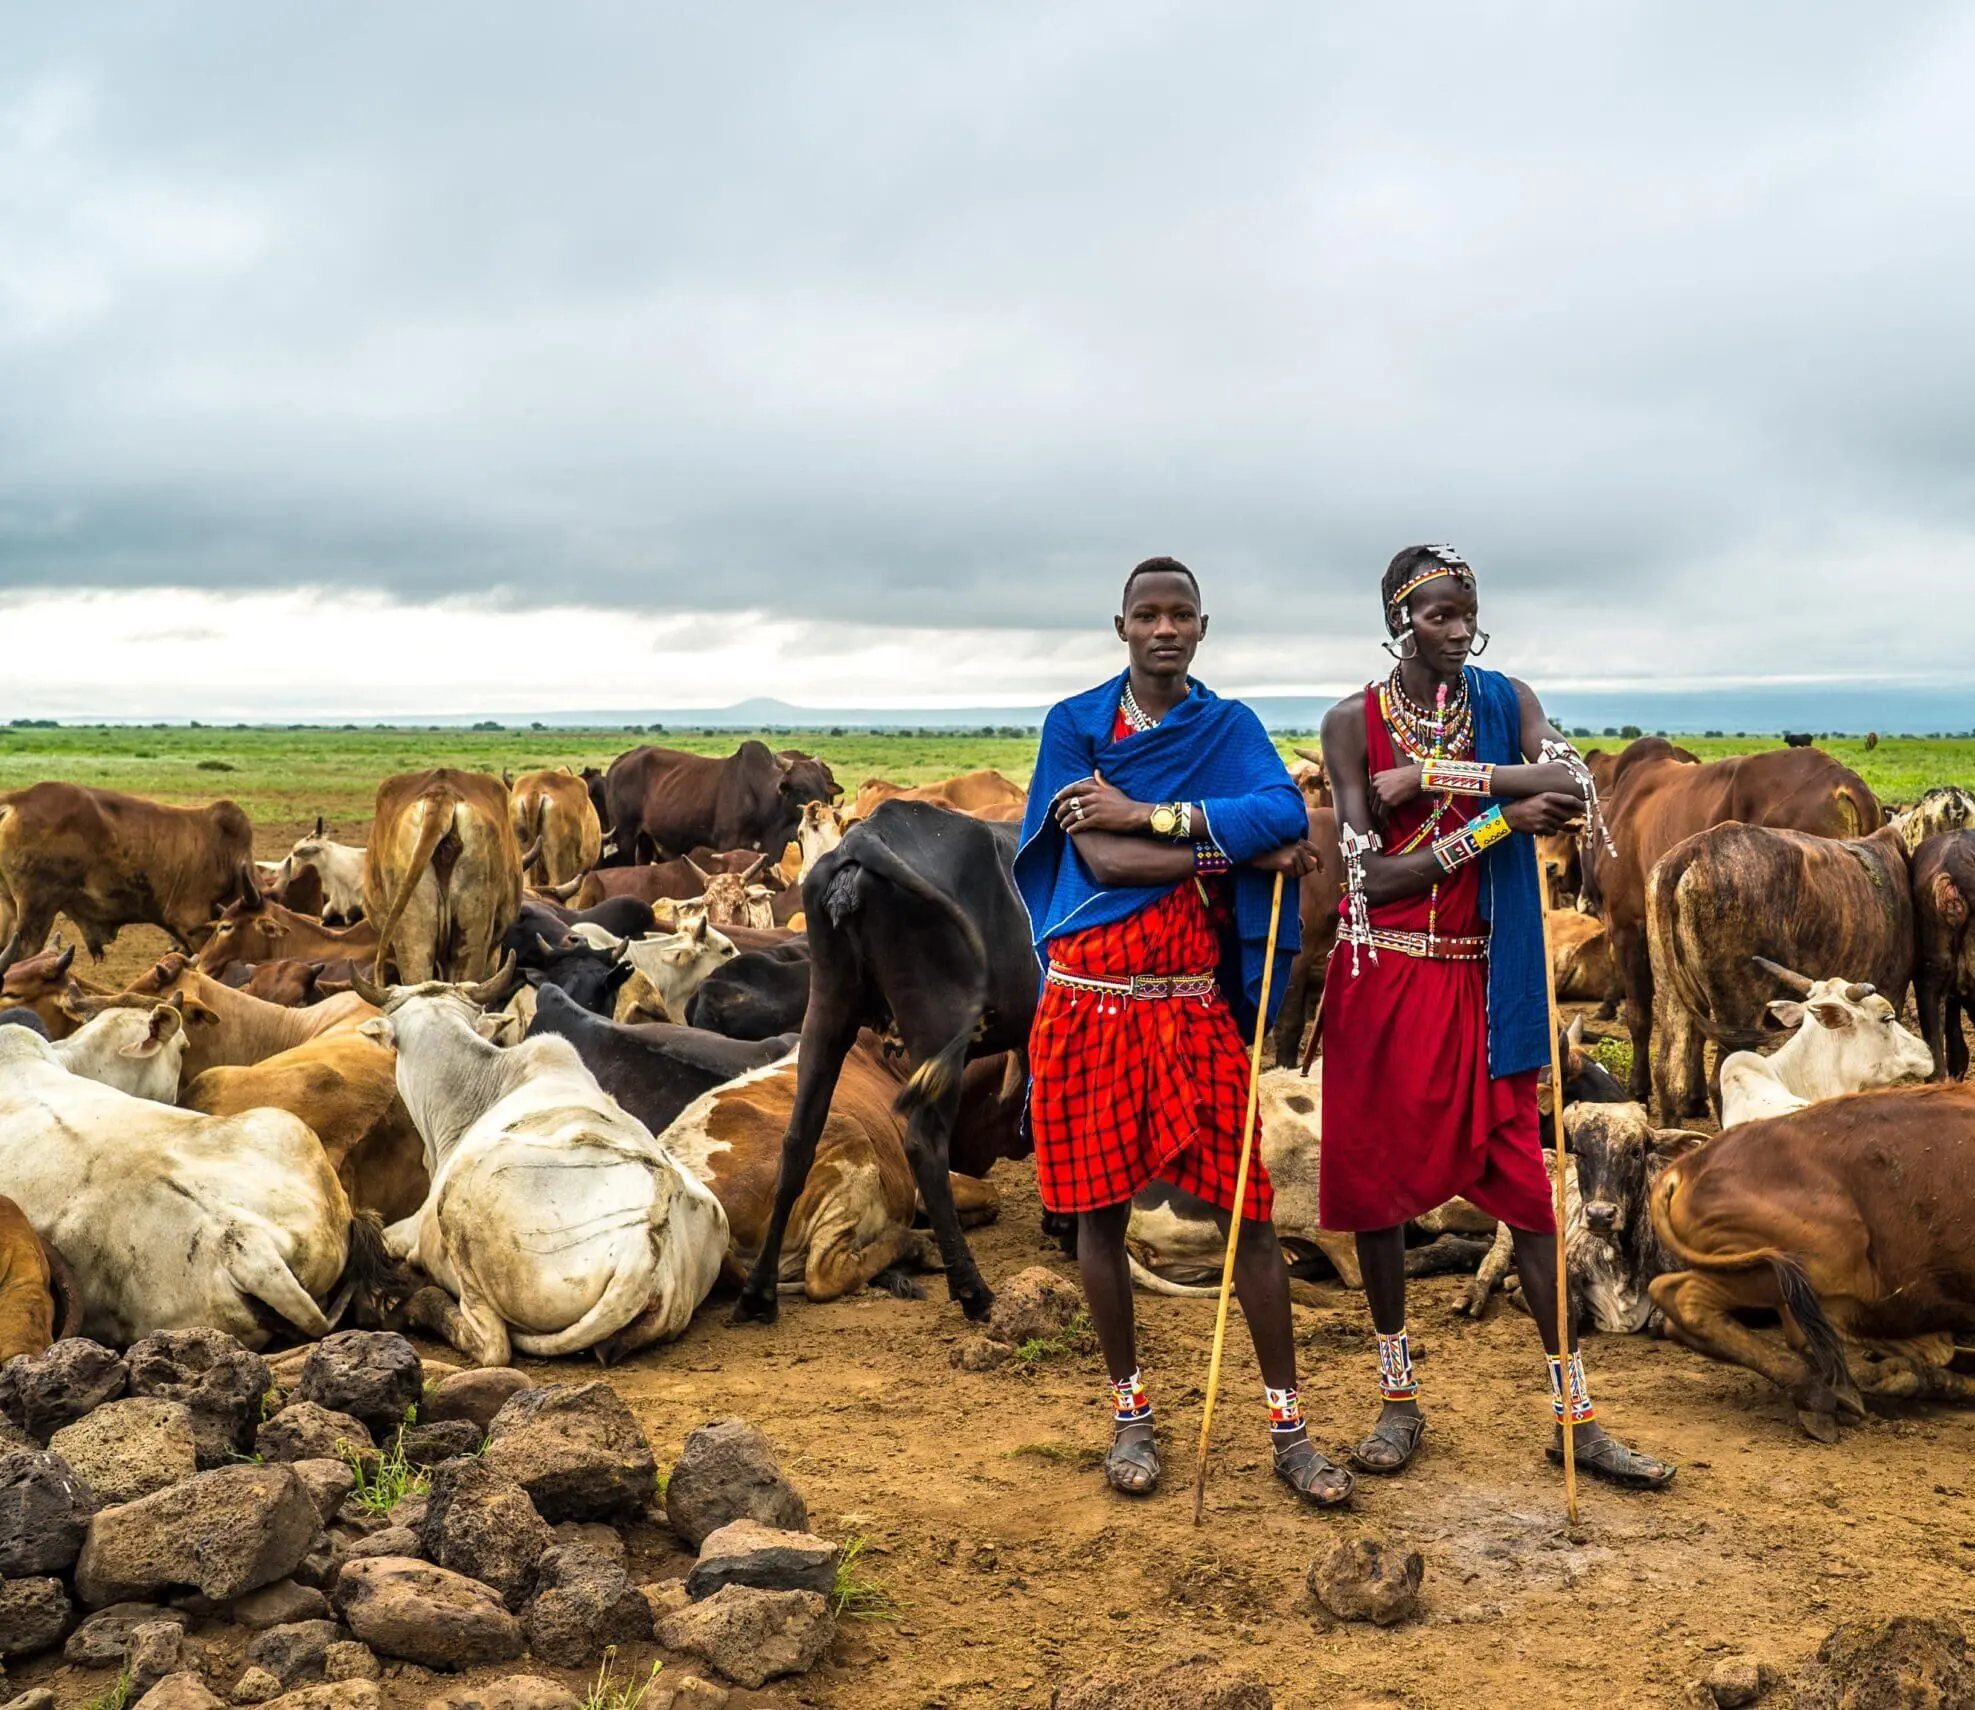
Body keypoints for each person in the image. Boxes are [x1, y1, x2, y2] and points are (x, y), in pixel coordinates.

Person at [1317, 543, 1674, 1489]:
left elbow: (1569, 788)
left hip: (1488, 987)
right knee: (1378, 1199)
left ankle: (1575, 1415)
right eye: (1437, 614)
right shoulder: (1350, 725)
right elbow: (1372, 877)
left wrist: (1445, 780)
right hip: (1386, 984)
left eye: (1466, 611)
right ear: (1399, 620)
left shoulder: (1506, 699)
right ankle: (1397, 1399)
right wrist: (1491, 821)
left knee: (1527, 1195)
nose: (1458, 629)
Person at [1014, 556, 1353, 1507]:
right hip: (1087, 1003)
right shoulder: (1076, 724)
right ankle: (1130, 1413)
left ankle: (1288, 1427)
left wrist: (1150, 814)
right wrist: (1218, 847)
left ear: (1202, 627)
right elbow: (1100, 858)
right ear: (1119, 625)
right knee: (1097, 1215)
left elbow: (1283, 810)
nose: (1164, 629)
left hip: (1192, 1004)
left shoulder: (1228, 726)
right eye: (1145, 615)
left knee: (1246, 1213)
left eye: (1180, 615)